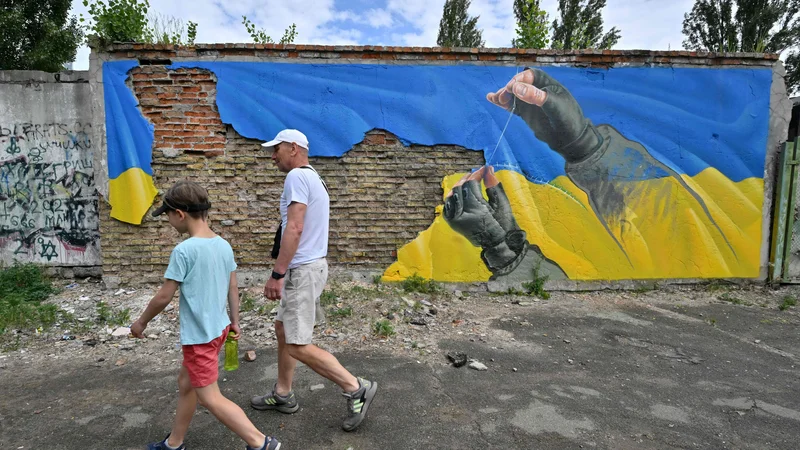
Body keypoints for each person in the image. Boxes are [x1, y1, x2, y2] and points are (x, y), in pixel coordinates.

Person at [131, 180, 280, 450]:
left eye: (167, 215)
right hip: (219, 329)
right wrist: (235, 321)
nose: (168, 221)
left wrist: (141, 322)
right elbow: (233, 287)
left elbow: (164, 296)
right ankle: (174, 443)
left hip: (200, 336)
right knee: (186, 383)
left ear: (180, 214)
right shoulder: (223, 244)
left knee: (210, 397)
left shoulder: (184, 251)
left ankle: (261, 443)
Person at [250, 129, 378, 432]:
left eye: (277, 149)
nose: (273, 156)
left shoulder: (296, 177)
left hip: (302, 270)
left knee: (296, 344)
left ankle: (356, 387)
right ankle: (283, 393)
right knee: (283, 329)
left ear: (293, 148)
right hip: (310, 267)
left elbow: (294, 227)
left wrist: (277, 274)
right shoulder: (314, 178)